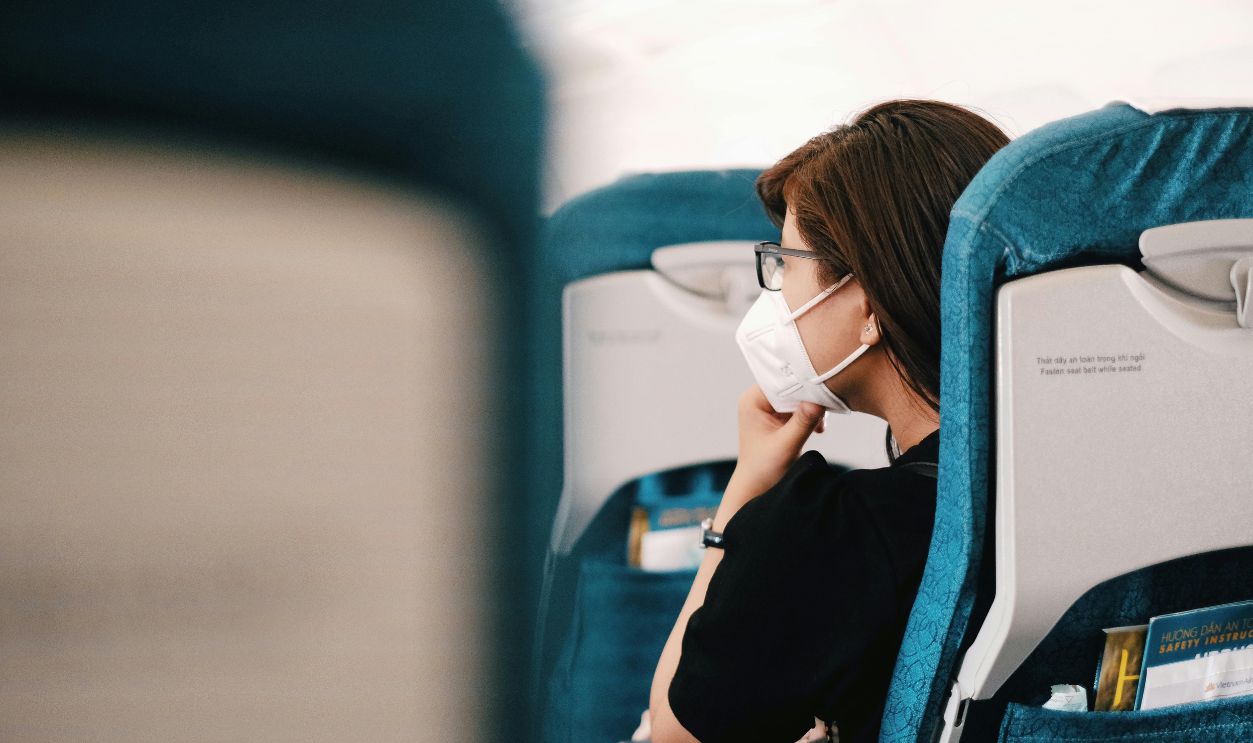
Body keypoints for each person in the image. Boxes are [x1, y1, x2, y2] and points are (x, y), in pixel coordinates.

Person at [648, 99, 1010, 743]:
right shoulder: (1077, 478)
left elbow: (678, 731)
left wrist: (744, 495)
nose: (773, 293)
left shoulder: (834, 531)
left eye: (785, 264)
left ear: (868, 307)